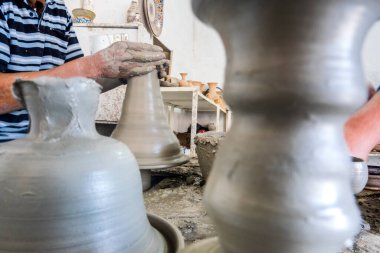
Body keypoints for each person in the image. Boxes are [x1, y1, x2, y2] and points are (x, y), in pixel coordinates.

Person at [0, 0, 167, 142]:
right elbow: (84, 70)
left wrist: (124, 73)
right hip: (8, 146)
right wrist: (93, 65)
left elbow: (78, 81)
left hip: (49, 144)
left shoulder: (58, 10)